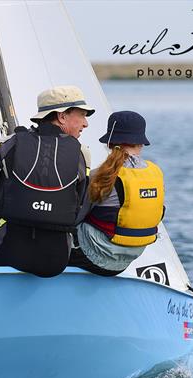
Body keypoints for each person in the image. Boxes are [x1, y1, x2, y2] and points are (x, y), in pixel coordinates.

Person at [0, 85, 92, 277]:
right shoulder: (82, 153)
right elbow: (80, 205)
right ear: (61, 116)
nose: (85, 123)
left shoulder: (13, 142)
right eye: (82, 115)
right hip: (54, 260)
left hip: (9, 251)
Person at [69, 110, 164, 276]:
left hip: (95, 258)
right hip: (130, 258)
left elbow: (75, 218)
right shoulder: (155, 173)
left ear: (109, 143)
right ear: (141, 143)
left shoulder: (100, 176)